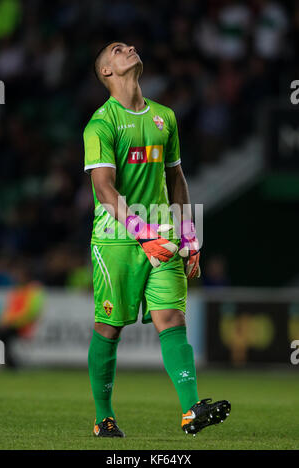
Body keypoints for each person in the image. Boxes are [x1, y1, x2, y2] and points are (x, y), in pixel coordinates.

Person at [83, 41, 230, 437]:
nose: (129, 48)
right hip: (116, 240)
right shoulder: (101, 124)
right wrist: (142, 233)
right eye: (117, 49)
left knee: (171, 318)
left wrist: (188, 234)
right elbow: (105, 190)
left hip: (161, 234)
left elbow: (175, 178)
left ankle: (191, 410)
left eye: (128, 45)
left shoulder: (165, 116)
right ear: (107, 73)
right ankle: (103, 418)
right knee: (109, 327)